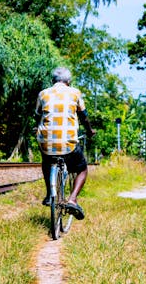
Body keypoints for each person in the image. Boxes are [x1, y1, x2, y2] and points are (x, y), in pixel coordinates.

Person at [35, 67, 96, 220]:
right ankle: (72, 199)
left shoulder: (43, 93)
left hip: (46, 143)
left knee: (46, 160)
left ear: (52, 81)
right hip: (68, 145)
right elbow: (84, 116)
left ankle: (50, 193)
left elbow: (37, 115)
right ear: (69, 82)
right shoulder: (75, 93)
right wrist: (89, 131)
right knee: (82, 169)